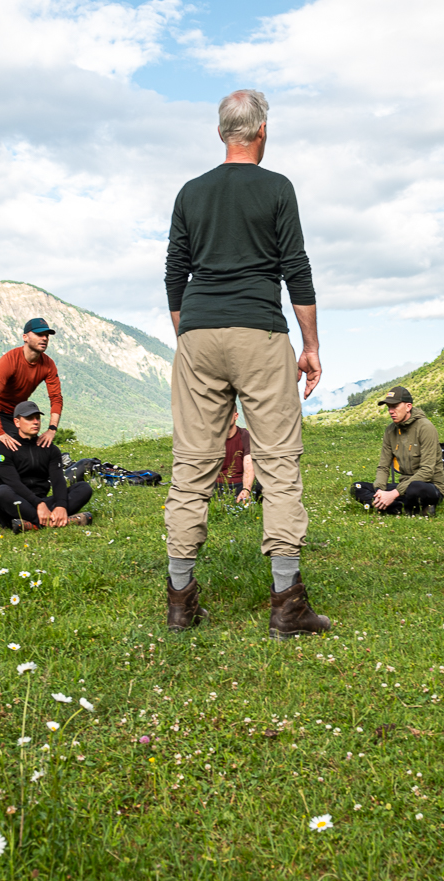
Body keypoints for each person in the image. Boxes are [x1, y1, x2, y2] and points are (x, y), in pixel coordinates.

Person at [162, 88, 329, 639]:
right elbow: (295, 268)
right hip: (260, 331)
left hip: (198, 332)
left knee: (191, 465)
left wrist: (188, 336)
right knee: (278, 463)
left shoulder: (190, 192)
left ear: (220, 133)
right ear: (262, 131)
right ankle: (287, 607)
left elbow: (175, 272)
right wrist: (310, 345)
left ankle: (180, 603)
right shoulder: (277, 188)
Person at [0, 400, 94, 531]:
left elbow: (58, 481)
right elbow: (13, 483)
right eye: (29, 418)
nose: (35, 422)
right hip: (16, 503)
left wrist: (61, 505)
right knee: (1, 492)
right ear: (17, 422)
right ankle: (56, 521)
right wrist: (38, 503)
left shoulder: (49, 449)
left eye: (37, 418)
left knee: (83, 488)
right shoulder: (4, 449)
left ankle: (32, 524)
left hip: (43, 503)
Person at [349, 386, 444, 516]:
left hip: (428, 486)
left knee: (415, 488)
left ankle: (395, 505)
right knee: (357, 488)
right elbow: (383, 467)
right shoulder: (390, 431)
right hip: (403, 486)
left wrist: (394, 493)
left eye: (395, 406)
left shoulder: (425, 427)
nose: (391, 411)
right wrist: (380, 490)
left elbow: (427, 471)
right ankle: (403, 508)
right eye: (389, 407)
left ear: (408, 406)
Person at [0, 317, 63, 453]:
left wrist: (52, 429)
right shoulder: (10, 360)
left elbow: (56, 398)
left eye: (46, 335)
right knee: (7, 453)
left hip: (18, 415)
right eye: (39, 334)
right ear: (25, 337)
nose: (44, 338)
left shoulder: (49, 365)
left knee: (35, 453)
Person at [214, 406, 262, 503]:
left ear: (236, 416)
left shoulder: (245, 435)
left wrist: (246, 489)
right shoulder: (212, 437)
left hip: (239, 484)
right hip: (216, 484)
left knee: (263, 485)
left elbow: (249, 464)